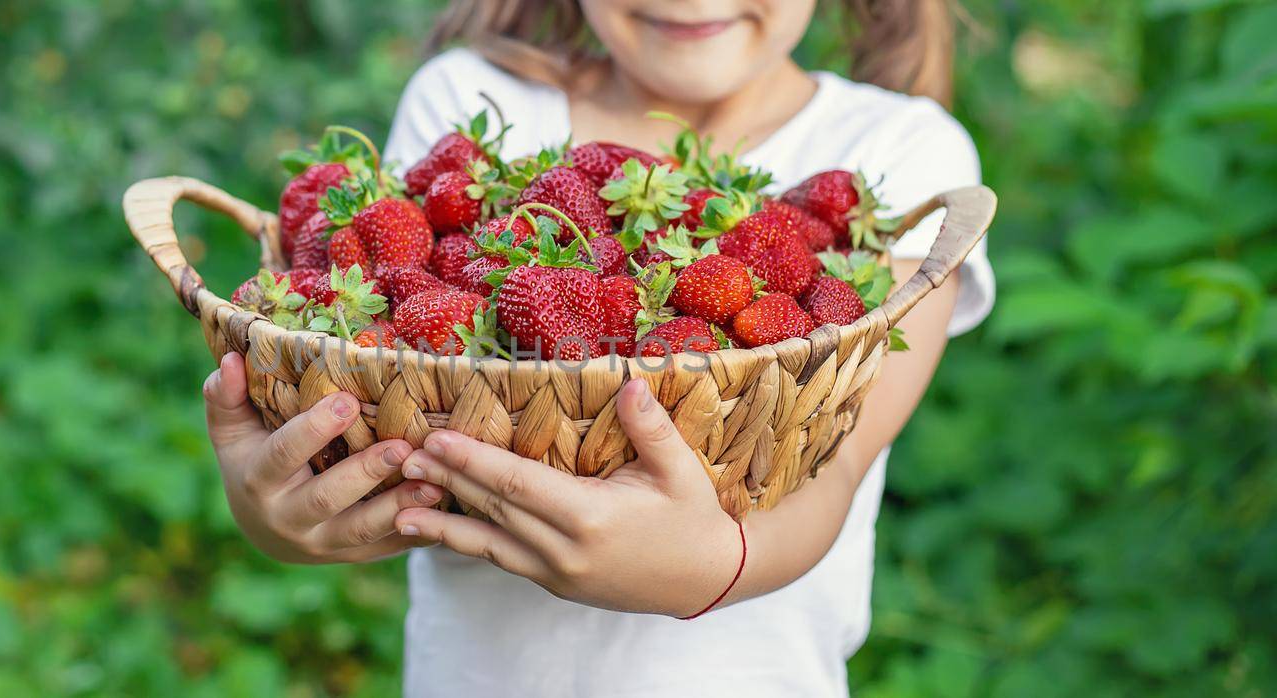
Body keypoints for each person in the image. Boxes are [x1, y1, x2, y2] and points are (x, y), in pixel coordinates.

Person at [201, 0, 995, 694]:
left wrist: (719, 563)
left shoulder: (896, 150)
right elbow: (403, 421)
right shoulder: (469, 97)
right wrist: (284, 513)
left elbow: (837, 465)